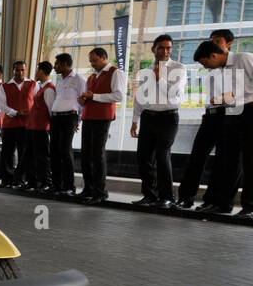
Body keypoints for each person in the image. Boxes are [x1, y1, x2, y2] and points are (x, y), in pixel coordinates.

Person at [193, 39, 253, 217]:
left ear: (214, 55)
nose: (206, 68)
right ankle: (224, 204)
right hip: (233, 111)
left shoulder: (245, 58)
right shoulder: (221, 69)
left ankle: (251, 208)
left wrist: (234, 94)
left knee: (252, 160)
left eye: (206, 63)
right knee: (230, 160)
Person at [176, 29, 234, 210]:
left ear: (229, 44)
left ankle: (211, 200)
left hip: (228, 116)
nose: (214, 44)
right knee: (196, 157)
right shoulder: (210, 65)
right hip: (210, 116)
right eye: (212, 41)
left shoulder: (236, 64)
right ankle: (186, 198)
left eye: (218, 41)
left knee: (221, 161)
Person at [130, 34, 185, 209]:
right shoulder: (145, 71)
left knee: (162, 156)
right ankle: (150, 195)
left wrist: (159, 77)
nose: (165, 51)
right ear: (154, 49)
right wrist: (134, 120)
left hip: (168, 117)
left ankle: (167, 197)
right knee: (143, 157)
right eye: (161, 47)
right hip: (148, 117)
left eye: (168, 48)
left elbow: (174, 94)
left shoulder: (179, 68)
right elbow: (140, 97)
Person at [76, 47, 123, 204]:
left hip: (102, 118)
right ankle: (88, 188)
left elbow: (119, 95)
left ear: (104, 57)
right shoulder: (91, 77)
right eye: (90, 61)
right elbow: (89, 97)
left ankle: (100, 191)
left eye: (94, 60)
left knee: (97, 154)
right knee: (86, 155)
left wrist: (93, 96)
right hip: (88, 116)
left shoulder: (116, 72)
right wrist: (83, 100)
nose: (92, 64)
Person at [49, 53, 84, 195]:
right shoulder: (60, 80)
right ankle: (57, 185)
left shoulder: (79, 79)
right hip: (56, 118)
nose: (55, 67)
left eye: (57, 64)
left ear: (64, 64)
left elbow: (83, 102)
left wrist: (78, 120)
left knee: (65, 151)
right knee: (54, 152)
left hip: (69, 117)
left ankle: (69, 187)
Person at [0, 60, 33, 187]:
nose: (20, 72)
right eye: (17, 70)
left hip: (26, 125)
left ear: (25, 70)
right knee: (7, 152)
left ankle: (21, 180)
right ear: (13, 71)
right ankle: (6, 180)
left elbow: (37, 102)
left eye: (22, 70)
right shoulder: (4, 86)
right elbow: (2, 106)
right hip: (9, 124)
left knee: (24, 153)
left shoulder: (33, 84)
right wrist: (16, 113)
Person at [22, 61, 54, 192]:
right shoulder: (40, 87)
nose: (35, 73)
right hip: (33, 127)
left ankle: (46, 182)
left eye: (36, 70)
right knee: (30, 155)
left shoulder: (49, 89)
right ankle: (32, 181)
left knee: (42, 157)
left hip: (42, 128)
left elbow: (51, 111)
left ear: (41, 71)